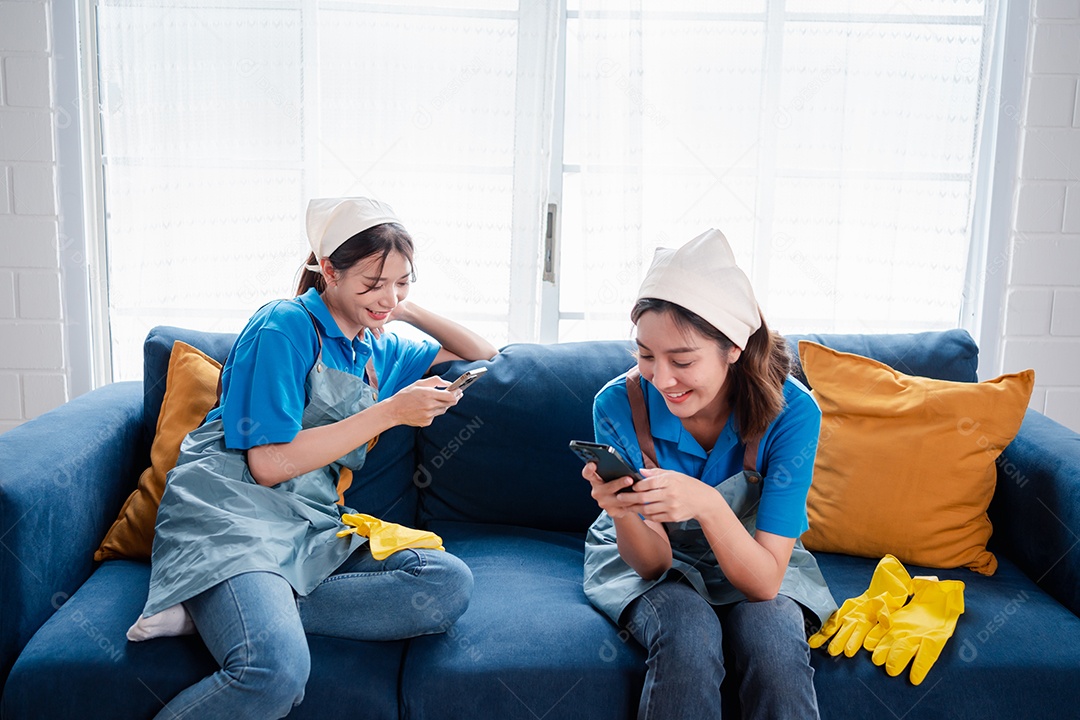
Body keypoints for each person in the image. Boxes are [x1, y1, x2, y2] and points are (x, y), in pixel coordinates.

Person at [131, 197, 498, 720]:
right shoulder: (284, 326)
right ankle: (240, 608)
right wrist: (390, 412)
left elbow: (482, 351)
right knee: (273, 673)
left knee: (445, 584)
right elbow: (267, 464)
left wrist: (399, 304)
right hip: (233, 516)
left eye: (401, 281)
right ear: (328, 270)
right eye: (372, 283)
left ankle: (222, 611)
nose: (387, 297)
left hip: (307, 526)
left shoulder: (378, 347)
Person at [582, 229, 837, 720]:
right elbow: (653, 566)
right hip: (655, 557)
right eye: (645, 355)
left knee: (774, 641)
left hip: (752, 548)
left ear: (733, 348)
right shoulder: (619, 404)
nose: (661, 378)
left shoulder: (792, 413)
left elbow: (764, 581)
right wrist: (624, 512)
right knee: (687, 629)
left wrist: (706, 503)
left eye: (682, 360)